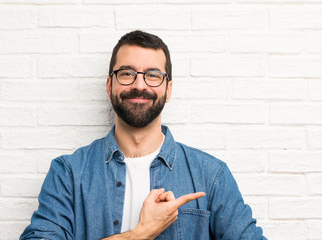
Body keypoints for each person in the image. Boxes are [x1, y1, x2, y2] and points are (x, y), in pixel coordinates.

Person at [20, 30, 266, 240]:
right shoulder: (69, 174)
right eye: (126, 73)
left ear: (168, 89)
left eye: (153, 75)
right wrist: (141, 233)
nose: (139, 85)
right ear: (109, 85)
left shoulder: (211, 175)